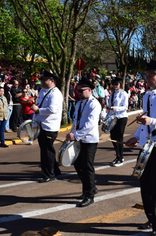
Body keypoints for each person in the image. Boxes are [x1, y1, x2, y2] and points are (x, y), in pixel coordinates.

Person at [125, 59, 156, 236]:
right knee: (144, 184)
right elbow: (143, 124)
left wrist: (151, 121)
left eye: (150, 76)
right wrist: (136, 137)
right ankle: (150, 218)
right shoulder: (147, 96)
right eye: (146, 76)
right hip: (146, 144)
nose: (147, 79)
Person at [66, 76, 101, 207]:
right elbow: (76, 120)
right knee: (77, 164)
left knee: (87, 167)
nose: (79, 93)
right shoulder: (80, 103)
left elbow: (90, 124)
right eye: (78, 91)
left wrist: (77, 135)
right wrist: (71, 132)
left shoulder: (94, 104)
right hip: (79, 138)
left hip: (89, 140)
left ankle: (89, 195)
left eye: (81, 91)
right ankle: (90, 187)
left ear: (90, 90)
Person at [31, 70, 63, 183]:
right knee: (47, 149)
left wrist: (38, 110)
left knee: (47, 151)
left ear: (52, 81)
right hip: (41, 125)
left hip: (49, 126)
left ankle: (49, 174)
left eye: (45, 79)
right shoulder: (43, 91)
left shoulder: (55, 93)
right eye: (42, 79)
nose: (42, 81)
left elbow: (52, 109)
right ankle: (55, 170)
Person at [107, 77, 129, 166]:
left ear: (120, 84)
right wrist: (106, 118)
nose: (115, 86)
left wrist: (116, 108)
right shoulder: (112, 94)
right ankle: (117, 155)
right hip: (113, 117)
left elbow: (125, 107)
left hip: (121, 117)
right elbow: (109, 106)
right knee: (113, 137)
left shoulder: (123, 94)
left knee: (119, 137)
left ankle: (121, 157)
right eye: (114, 84)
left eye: (117, 84)